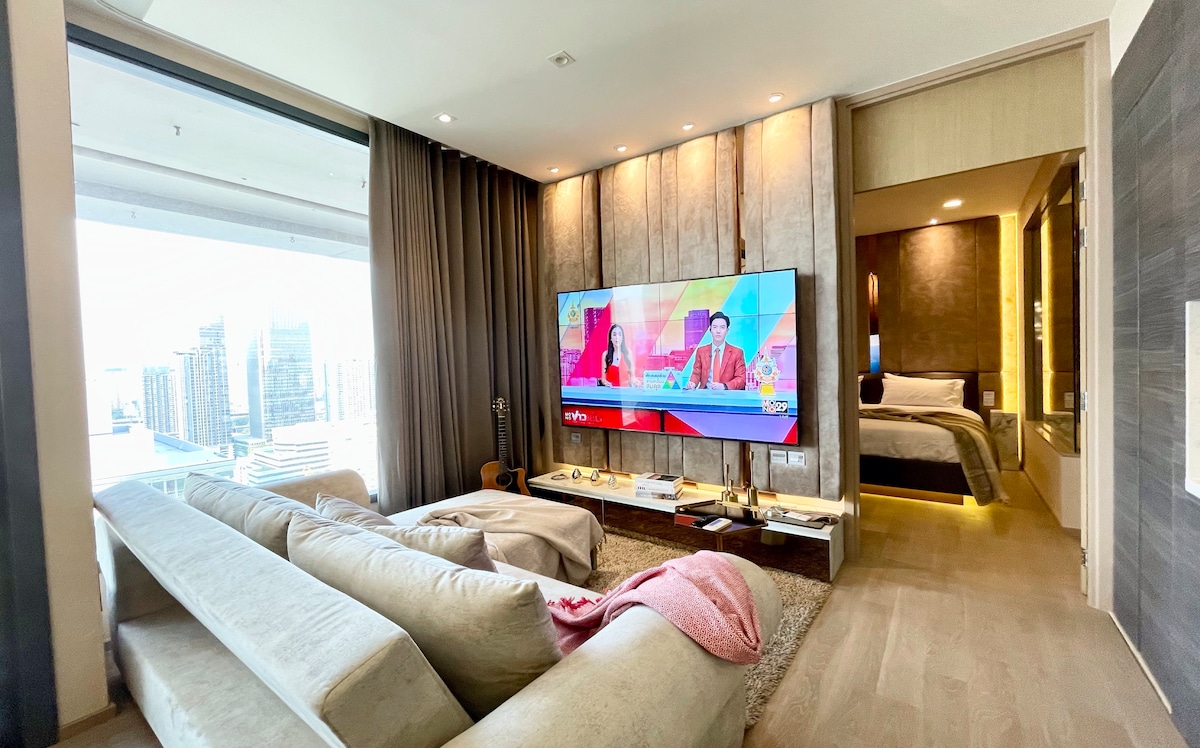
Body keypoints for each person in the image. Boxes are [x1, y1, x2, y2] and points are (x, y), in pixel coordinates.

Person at [686, 312, 745, 391]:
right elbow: (696, 373)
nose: (718, 331)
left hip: (727, 395)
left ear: (727, 330)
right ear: (710, 330)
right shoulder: (701, 351)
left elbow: (741, 379)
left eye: (722, 327)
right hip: (706, 394)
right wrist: (692, 383)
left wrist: (724, 386)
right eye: (715, 327)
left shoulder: (737, 353)